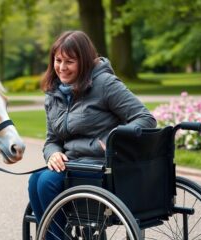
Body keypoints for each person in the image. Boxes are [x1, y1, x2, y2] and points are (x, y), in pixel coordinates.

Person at [28, 30, 157, 238]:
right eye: (58, 60)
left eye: (69, 61)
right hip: (73, 164)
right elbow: (52, 139)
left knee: (45, 183)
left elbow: (146, 118)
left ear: (85, 61)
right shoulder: (53, 94)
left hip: (101, 164)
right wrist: (52, 153)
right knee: (35, 180)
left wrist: (115, 139)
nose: (61, 67)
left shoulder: (105, 84)